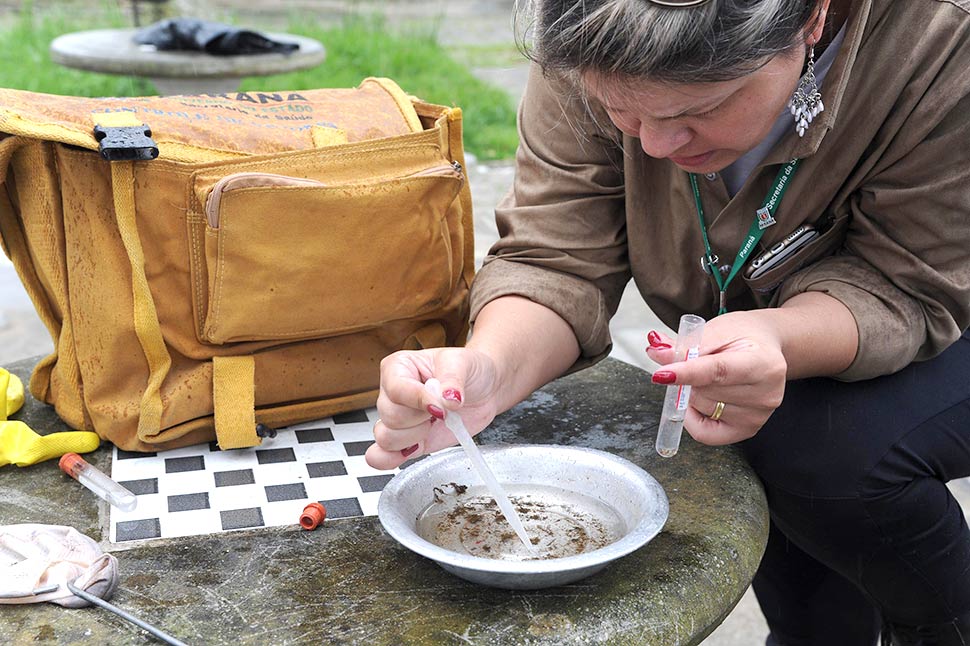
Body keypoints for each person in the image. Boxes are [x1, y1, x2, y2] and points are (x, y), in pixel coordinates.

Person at [366, 0, 970, 643]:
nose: (652, 144)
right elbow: (557, 256)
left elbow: (908, 277)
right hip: (781, 319)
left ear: (814, 19)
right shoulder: (590, 28)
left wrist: (779, 336)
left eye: (697, 110)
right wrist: (489, 368)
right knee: (750, 434)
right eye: (622, 110)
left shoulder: (940, 40)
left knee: (828, 452)